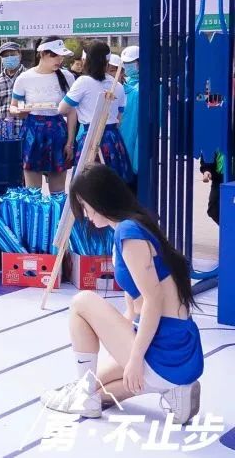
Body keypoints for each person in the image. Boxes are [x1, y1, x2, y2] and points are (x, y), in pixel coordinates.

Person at [42, 164, 202, 424]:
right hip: (173, 345)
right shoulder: (135, 226)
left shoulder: (129, 234)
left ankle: (87, 397)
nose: (86, 214)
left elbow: (153, 300)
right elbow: (135, 307)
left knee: (81, 302)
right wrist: (122, 352)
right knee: (95, 386)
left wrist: (135, 358)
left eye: (85, 206)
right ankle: (171, 390)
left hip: (162, 348)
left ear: (99, 200)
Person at [60, 42, 133, 184]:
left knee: (88, 184)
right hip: (113, 139)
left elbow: (62, 109)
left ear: (85, 61)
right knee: (112, 184)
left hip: (90, 137)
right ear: (107, 62)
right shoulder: (117, 86)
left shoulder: (83, 82)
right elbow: (119, 117)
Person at [10, 36, 75, 193]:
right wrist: (19, 111)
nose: (59, 60)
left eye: (61, 56)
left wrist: (70, 143)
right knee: (32, 191)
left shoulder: (67, 77)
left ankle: (58, 211)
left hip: (58, 132)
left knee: (58, 192)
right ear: (42, 54)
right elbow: (13, 106)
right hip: (32, 132)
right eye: (54, 55)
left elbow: (72, 112)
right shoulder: (24, 78)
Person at [119, 46, 140, 179]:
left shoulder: (147, 86)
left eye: (131, 62)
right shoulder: (124, 85)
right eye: (125, 63)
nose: (127, 66)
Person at [0, 41, 24, 118]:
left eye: (12, 54)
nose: (9, 58)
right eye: (5, 56)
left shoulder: (28, 77)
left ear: (20, 55)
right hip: (3, 125)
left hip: (25, 124)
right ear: (1, 59)